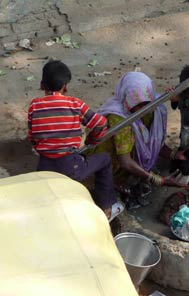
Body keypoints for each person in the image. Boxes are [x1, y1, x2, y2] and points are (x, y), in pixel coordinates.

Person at [28, 60, 124, 222]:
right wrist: (92, 139)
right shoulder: (75, 104)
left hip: (43, 167)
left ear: (41, 85)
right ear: (65, 87)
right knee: (105, 159)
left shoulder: (34, 106)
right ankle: (108, 206)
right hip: (70, 167)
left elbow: (32, 138)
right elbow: (101, 123)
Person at [93, 71, 189, 209]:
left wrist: (174, 154)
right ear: (126, 98)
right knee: (116, 191)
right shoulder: (119, 118)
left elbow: (154, 143)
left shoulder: (155, 108)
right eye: (136, 105)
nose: (142, 110)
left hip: (129, 157)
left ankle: (136, 178)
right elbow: (125, 161)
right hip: (113, 161)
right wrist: (158, 180)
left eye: (145, 104)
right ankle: (116, 183)